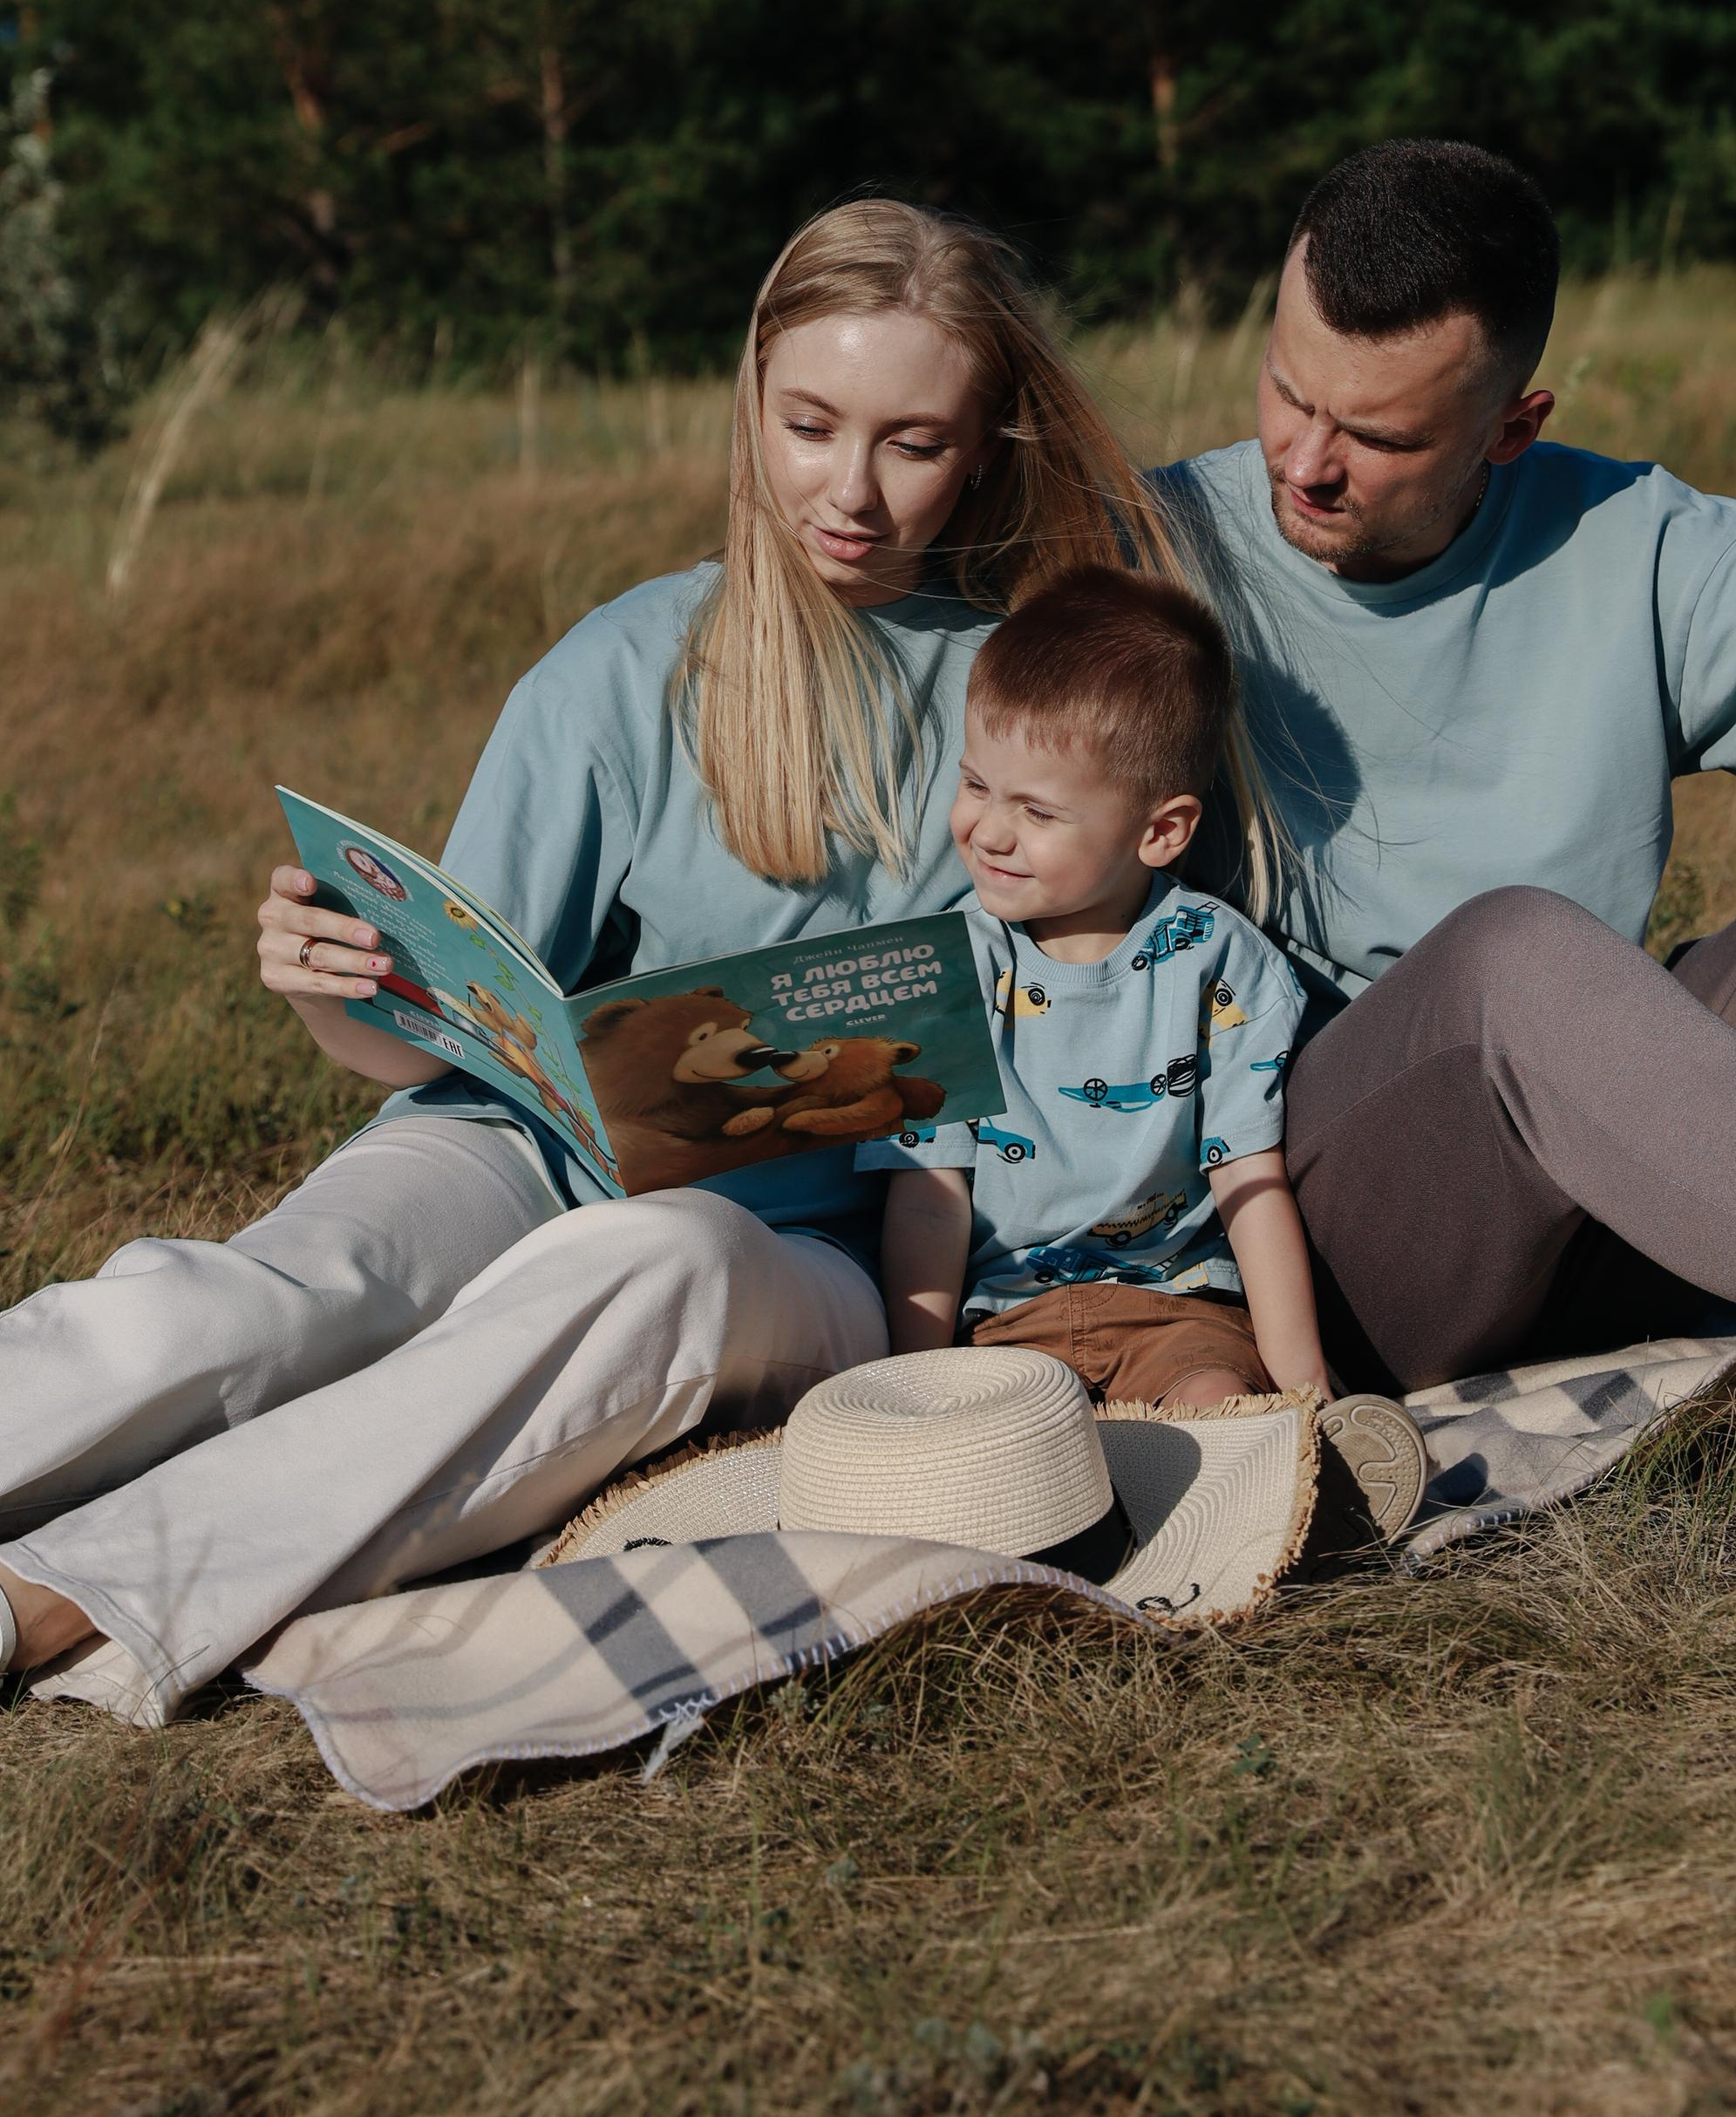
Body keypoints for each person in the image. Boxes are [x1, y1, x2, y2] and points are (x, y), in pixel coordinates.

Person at [0, 200, 1190, 1715]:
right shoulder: (627, 666)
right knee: (237, 1307)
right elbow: (438, 1047)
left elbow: (1111, 995)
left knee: (649, 1262)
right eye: (809, 424)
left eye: (914, 443)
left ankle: (55, 1597)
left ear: (984, 446)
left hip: (816, 1255)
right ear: (750, 401)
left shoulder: (1034, 694)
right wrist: (334, 987)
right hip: (518, 1145)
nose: (850, 491)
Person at [1164, 137, 1736, 1406]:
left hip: (1622, 1202)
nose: (1304, 461)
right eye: (1288, 393)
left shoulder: (1638, 544)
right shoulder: (1149, 551)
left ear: (1513, 428)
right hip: (1310, 1236)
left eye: (1377, 435)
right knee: (1514, 959)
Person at [873, 566, 1319, 1407]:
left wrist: (1305, 1392)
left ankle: (1285, 1470)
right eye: (975, 785)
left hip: (1176, 1310)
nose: (989, 831)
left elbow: (1249, 1182)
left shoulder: (1218, 961)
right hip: (1001, 1323)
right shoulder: (942, 970)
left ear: (1160, 831)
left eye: (1037, 812)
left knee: (1220, 1409)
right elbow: (929, 1203)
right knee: (1006, 1459)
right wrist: (913, 1389)